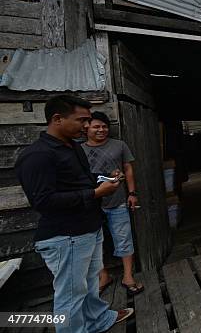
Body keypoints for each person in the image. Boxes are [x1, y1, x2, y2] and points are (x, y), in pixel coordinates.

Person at [15, 95, 133, 333]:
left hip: (88, 228)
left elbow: (79, 184)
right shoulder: (37, 156)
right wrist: (95, 193)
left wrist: (105, 181)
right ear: (57, 119)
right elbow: (43, 202)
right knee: (70, 296)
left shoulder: (73, 148)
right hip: (65, 236)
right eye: (82, 120)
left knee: (90, 284)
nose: (87, 126)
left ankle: (98, 320)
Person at [81, 111, 144, 296]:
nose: (101, 130)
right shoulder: (79, 151)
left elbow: (128, 168)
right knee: (94, 243)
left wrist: (132, 193)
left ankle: (127, 276)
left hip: (117, 202)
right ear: (87, 129)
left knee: (123, 238)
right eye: (96, 126)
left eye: (104, 126)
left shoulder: (119, 145)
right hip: (92, 204)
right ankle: (103, 276)